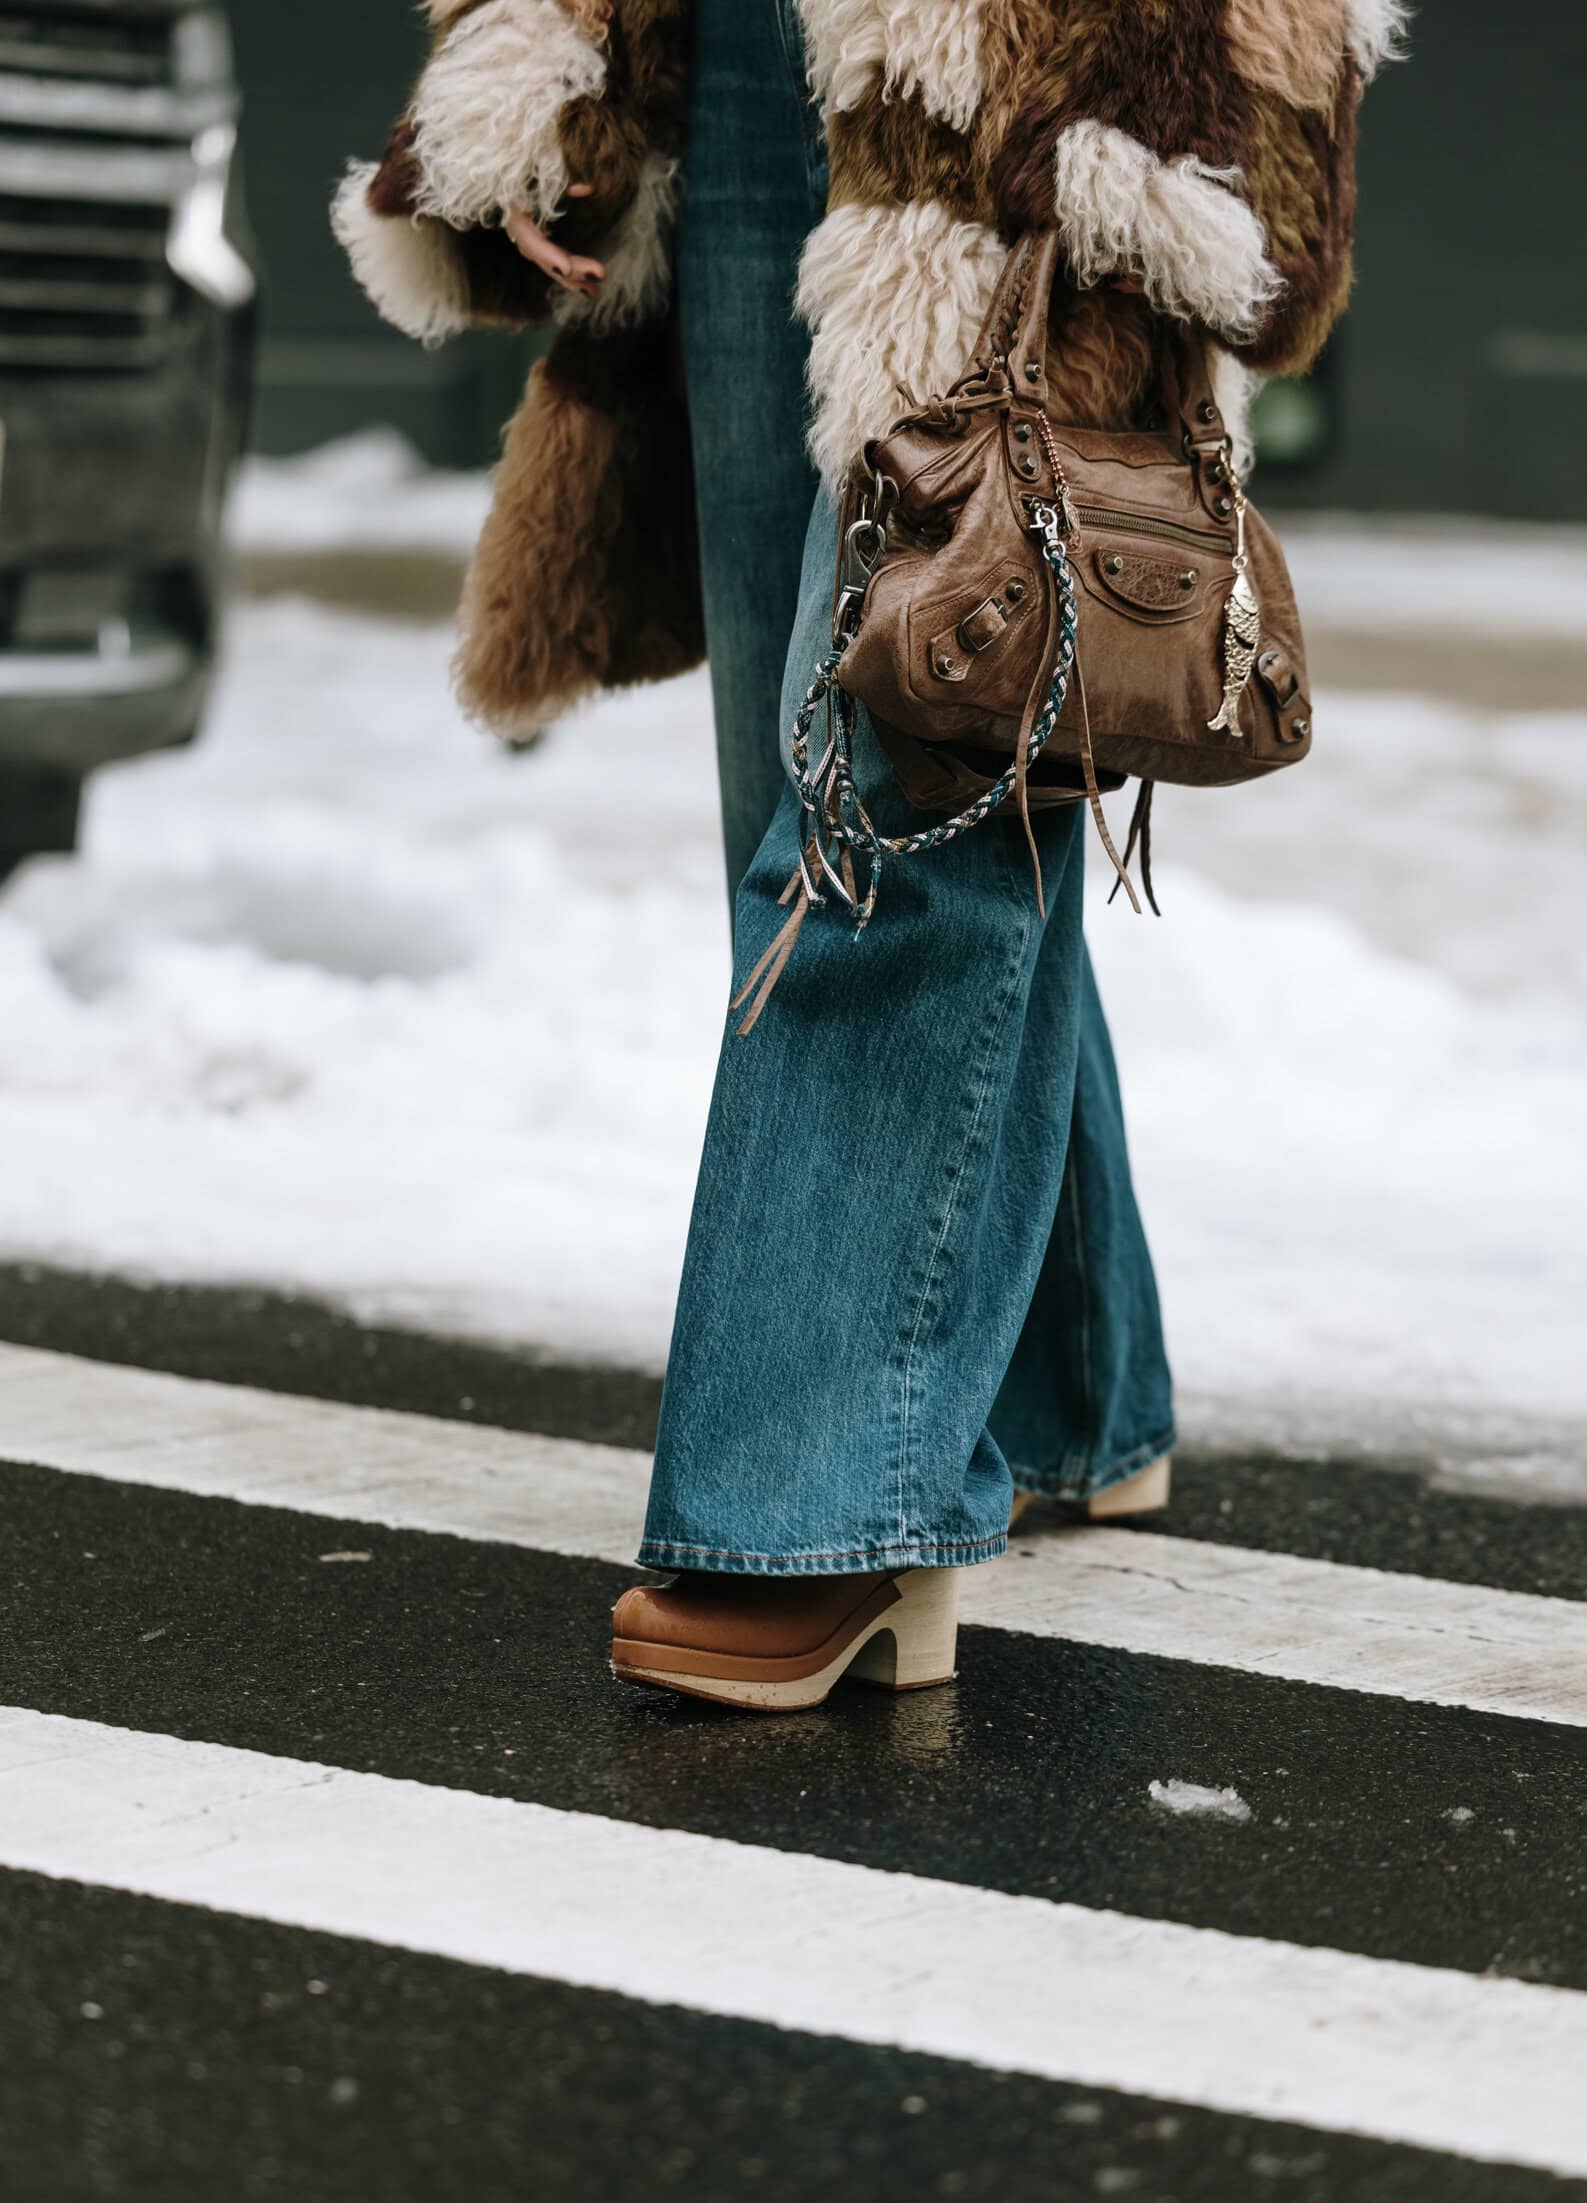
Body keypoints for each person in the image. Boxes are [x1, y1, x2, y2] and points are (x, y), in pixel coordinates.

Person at [337, 0, 1391, 1711]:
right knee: (859, 742)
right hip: (746, 58)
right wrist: (534, 53)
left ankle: (820, 1509)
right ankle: (1068, 1389)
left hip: (1029, 60)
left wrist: (1153, 123)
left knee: (884, 789)